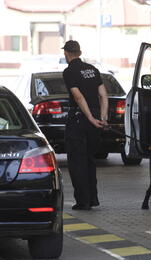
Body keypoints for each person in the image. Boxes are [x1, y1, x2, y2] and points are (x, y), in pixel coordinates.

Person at [62, 40, 109, 210]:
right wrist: (102, 118)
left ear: (67, 53)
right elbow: (103, 95)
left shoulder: (69, 72)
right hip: (96, 121)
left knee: (77, 162)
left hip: (79, 121)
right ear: (79, 53)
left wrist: (88, 117)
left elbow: (78, 97)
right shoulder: (93, 70)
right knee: (89, 161)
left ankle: (83, 202)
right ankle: (93, 198)